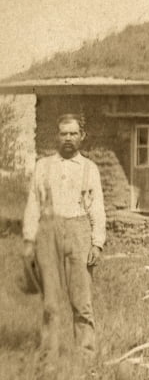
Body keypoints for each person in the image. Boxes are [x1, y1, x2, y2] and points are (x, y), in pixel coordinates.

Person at [22, 113, 106, 361]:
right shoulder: (43, 166)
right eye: (63, 133)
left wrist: (97, 243)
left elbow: (97, 208)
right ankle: (49, 356)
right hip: (48, 233)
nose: (68, 138)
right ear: (57, 136)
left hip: (79, 231)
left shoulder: (89, 168)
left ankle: (86, 356)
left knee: (82, 300)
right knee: (50, 302)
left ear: (82, 137)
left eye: (73, 133)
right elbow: (33, 205)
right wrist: (29, 240)